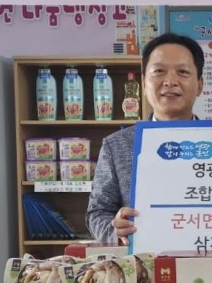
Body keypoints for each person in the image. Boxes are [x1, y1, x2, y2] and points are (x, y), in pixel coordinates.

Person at [85, 32, 204, 245]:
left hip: (208, 258)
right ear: (144, 82)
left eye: (183, 72)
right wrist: (115, 231)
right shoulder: (116, 145)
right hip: (145, 262)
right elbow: (97, 212)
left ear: (200, 85)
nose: (170, 81)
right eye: (159, 71)